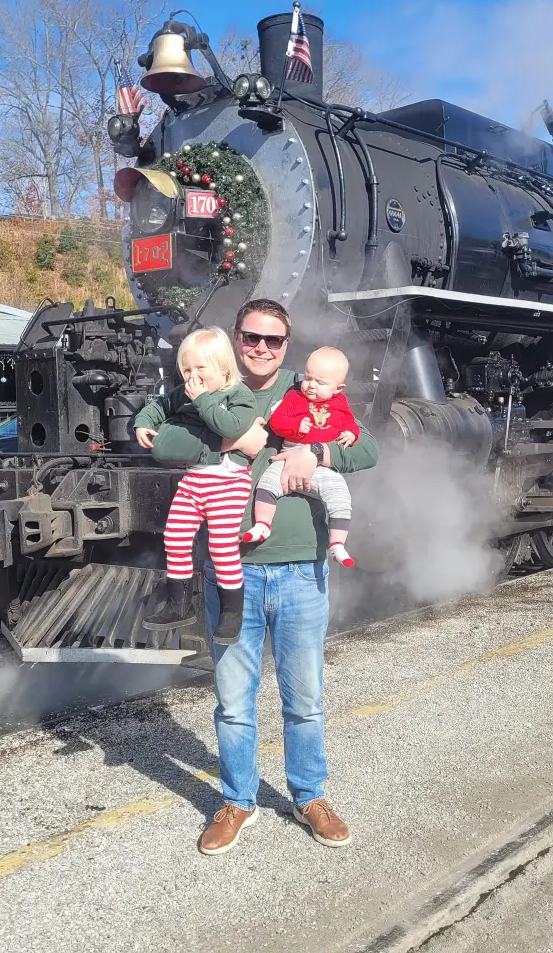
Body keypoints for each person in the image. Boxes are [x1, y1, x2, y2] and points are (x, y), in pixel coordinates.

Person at [147, 298, 379, 855]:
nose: (261, 348)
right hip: (232, 576)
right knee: (233, 701)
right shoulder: (207, 381)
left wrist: (315, 456)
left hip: (301, 571)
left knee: (305, 699)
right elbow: (163, 441)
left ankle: (309, 795)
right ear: (236, 336)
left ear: (287, 345)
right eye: (252, 337)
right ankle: (238, 800)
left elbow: (367, 447)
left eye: (274, 341)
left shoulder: (309, 390)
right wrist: (234, 439)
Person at [132, 327, 257, 644]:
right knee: (174, 537)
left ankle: (232, 613)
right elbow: (159, 406)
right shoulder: (183, 392)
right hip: (195, 480)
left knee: (221, 547)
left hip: (228, 482)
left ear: (224, 367)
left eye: (201, 369)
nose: (193, 376)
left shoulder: (238, 395)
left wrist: (202, 400)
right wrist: (143, 421)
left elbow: (230, 426)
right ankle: (179, 604)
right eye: (186, 370)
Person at [242, 346, 360, 568]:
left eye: (320, 382)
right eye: (308, 378)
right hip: (287, 456)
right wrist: (296, 426)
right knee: (267, 483)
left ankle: (338, 543)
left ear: (338, 388)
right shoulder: (294, 397)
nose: (311, 385)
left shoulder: (340, 404)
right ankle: (263, 524)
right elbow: (277, 422)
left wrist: (351, 433)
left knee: (339, 493)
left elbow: (350, 423)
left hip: (322, 467)